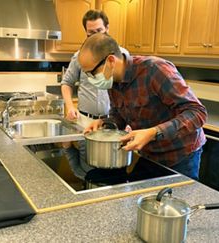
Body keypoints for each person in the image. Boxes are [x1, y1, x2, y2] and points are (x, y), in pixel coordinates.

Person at [78, 33, 208, 180]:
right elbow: (120, 116)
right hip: (149, 155)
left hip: (180, 157)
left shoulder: (155, 70)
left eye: (92, 73)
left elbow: (197, 112)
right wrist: (104, 122)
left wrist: (153, 133)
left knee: (175, 201)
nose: (90, 79)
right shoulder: (112, 81)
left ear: (110, 61)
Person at [60, 10, 129, 179]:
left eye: (98, 31)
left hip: (114, 122)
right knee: (87, 166)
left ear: (107, 28)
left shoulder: (122, 56)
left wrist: (128, 120)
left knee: (115, 168)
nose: (94, 36)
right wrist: (70, 107)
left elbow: (129, 91)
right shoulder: (80, 57)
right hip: (87, 122)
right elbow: (66, 83)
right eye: (90, 33)